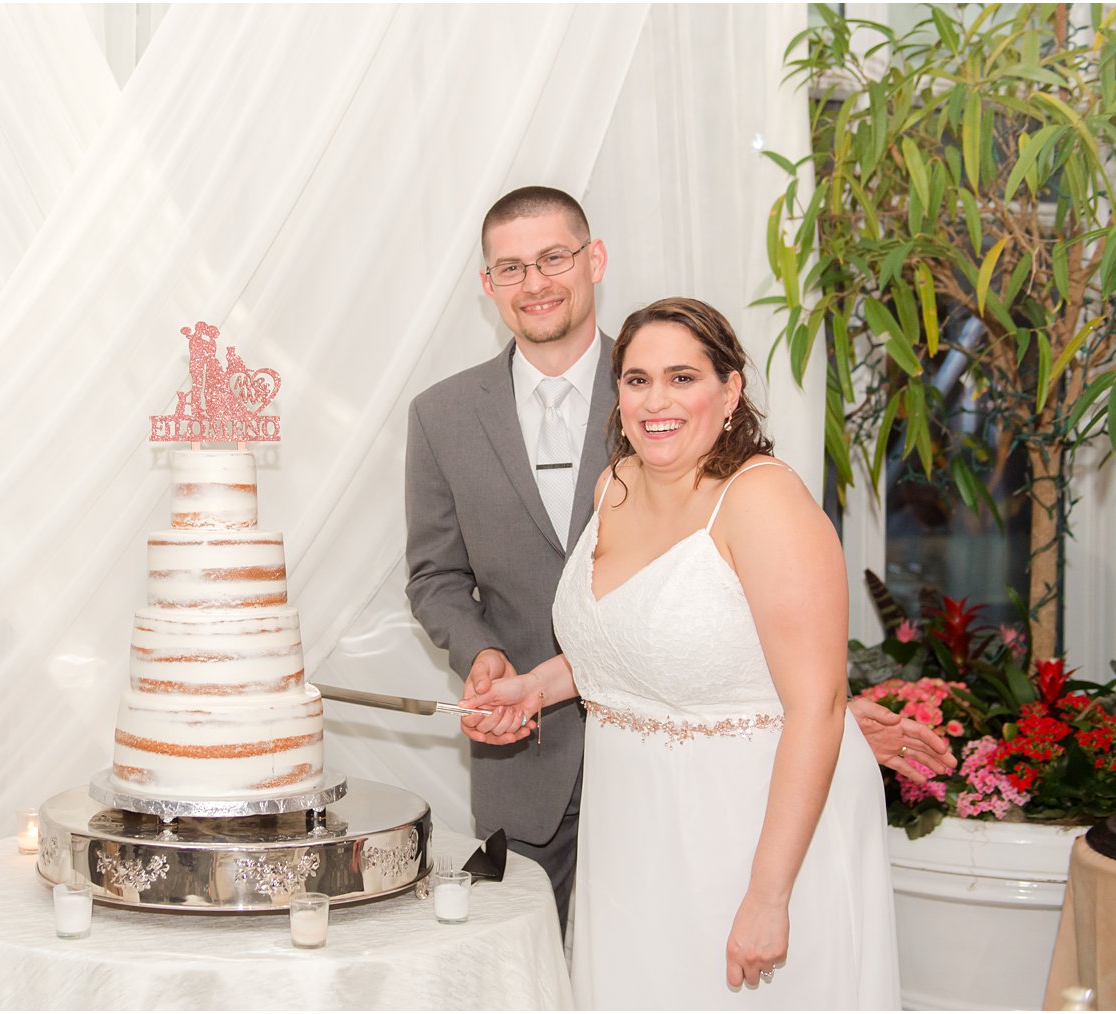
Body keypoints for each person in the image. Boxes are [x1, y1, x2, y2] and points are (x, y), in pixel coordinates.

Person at [405, 186, 952, 932]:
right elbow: (436, 574)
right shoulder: (446, 417)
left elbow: (750, 633)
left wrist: (834, 718)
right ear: (488, 284)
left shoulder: (666, 395)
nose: (534, 283)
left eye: (554, 258)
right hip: (528, 772)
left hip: (714, 796)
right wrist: (493, 662)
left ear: (593, 259)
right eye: (511, 268)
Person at [461, 296, 901, 1008]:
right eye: (637, 380)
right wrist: (532, 690)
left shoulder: (764, 502)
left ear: (730, 391)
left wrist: (768, 894)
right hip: (633, 818)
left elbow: (817, 706)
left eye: (682, 378)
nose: (655, 400)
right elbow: (623, 643)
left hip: (750, 822)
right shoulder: (617, 485)